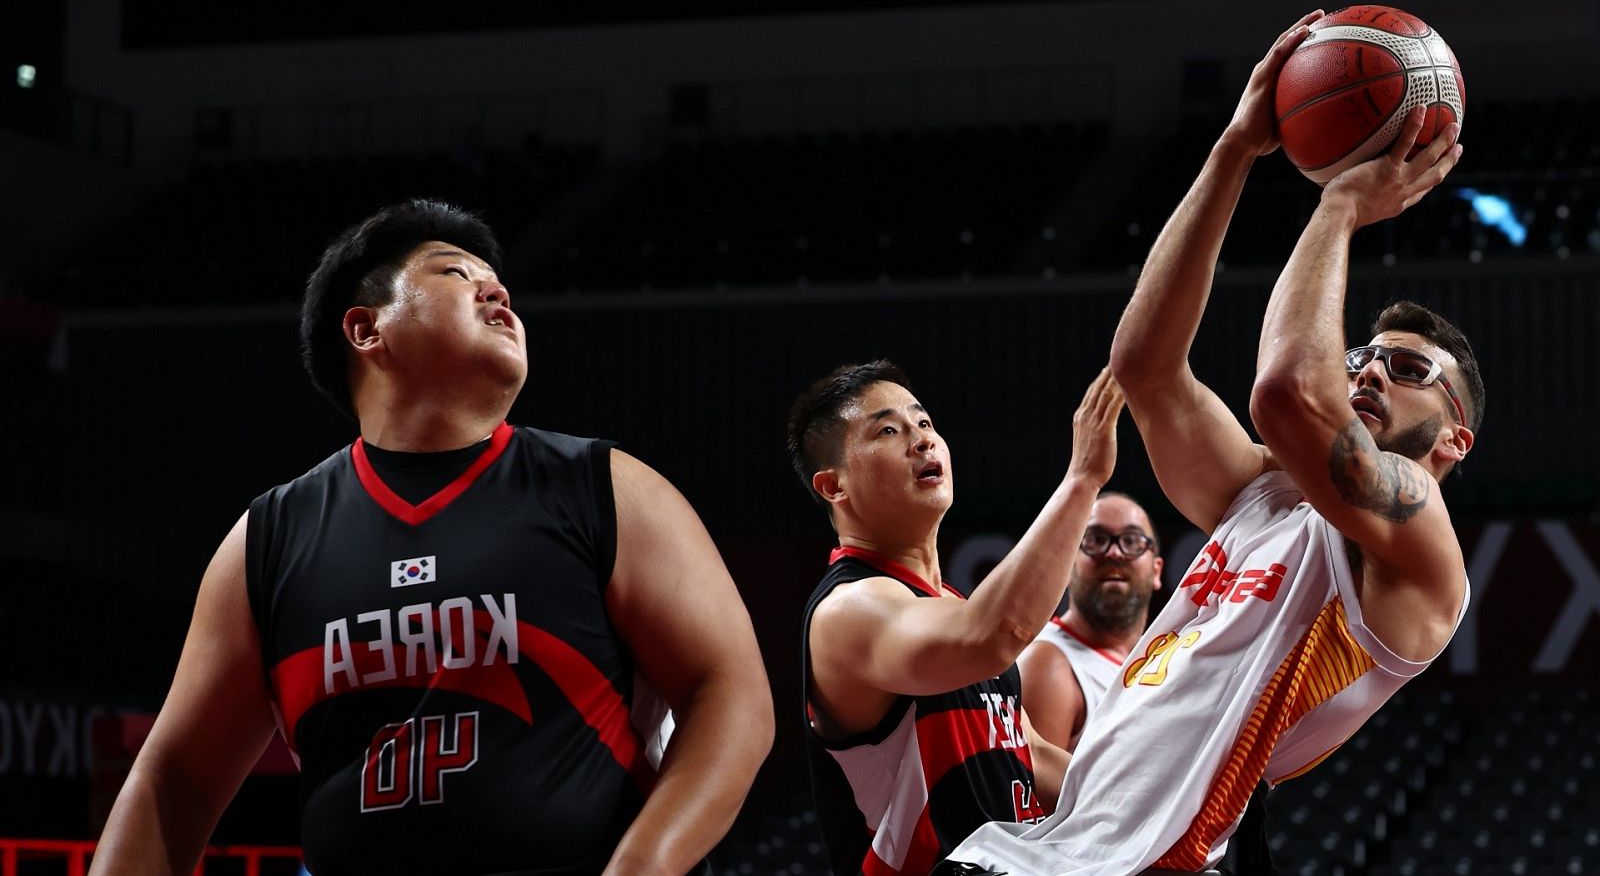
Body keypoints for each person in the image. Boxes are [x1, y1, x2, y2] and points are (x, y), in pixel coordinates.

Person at [90, 200, 774, 876]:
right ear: (365, 329)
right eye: (455, 273)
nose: (498, 290)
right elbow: (172, 779)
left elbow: (734, 695)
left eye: (497, 281)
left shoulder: (607, 487)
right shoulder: (267, 539)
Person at [945, 10, 1478, 874]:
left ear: (1454, 440)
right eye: (1363, 357)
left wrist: (1338, 210)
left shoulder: (1417, 542)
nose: (1371, 372)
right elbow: (1146, 368)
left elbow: (1286, 392)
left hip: (1156, 861)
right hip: (1039, 850)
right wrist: (1234, 152)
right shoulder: (1260, 494)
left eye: (1408, 369)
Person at [787, 361, 1125, 875]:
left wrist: (1147, 798)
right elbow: (992, 637)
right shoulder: (848, 609)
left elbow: (1026, 751)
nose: (922, 441)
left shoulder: (952, 606)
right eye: (888, 430)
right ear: (834, 486)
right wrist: (1082, 480)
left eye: (924, 424)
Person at [1016, 493, 1163, 753]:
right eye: (1095, 540)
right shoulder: (1049, 664)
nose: (1115, 553)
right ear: (1068, 566)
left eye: (1132, 541)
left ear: (1156, 570)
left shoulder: (1160, 664)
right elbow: (1034, 792)